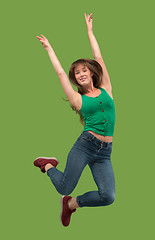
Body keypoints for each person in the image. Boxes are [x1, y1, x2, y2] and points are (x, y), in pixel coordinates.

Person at [34, 13, 116, 227]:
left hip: (105, 152)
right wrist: (49, 49)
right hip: (86, 146)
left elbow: (98, 57)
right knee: (64, 187)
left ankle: (70, 205)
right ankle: (49, 165)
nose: (80, 74)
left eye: (84, 70)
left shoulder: (106, 88)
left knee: (108, 196)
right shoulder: (78, 99)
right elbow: (61, 73)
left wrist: (90, 32)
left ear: (90, 73)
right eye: (77, 73)